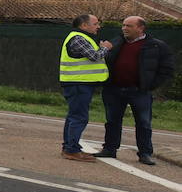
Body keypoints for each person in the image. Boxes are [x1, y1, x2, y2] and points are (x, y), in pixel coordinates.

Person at [97, 16, 175, 166]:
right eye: (124, 25)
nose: (124, 28)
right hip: (114, 89)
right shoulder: (116, 42)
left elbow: (167, 69)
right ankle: (109, 149)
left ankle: (145, 153)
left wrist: (149, 86)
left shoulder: (156, 46)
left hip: (139, 91)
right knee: (112, 121)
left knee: (143, 123)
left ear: (141, 28)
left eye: (129, 26)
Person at [59, 13, 111, 162]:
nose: (98, 26)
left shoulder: (80, 37)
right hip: (78, 84)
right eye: (95, 24)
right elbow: (94, 56)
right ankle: (71, 150)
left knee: (73, 116)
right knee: (79, 117)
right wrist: (105, 48)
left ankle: (69, 147)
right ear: (83, 25)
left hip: (79, 83)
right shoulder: (78, 38)